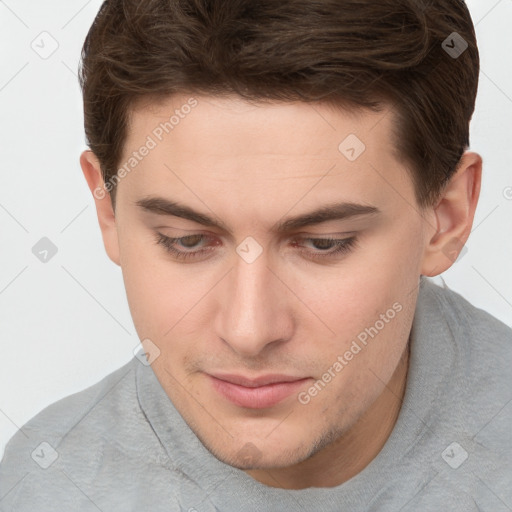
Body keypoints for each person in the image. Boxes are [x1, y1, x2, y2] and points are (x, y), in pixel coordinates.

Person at [1, 0, 510, 510]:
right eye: (187, 240)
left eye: (323, 243)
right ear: (108, 208)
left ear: (447, 218)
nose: (249, 332)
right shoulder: (46, 486)